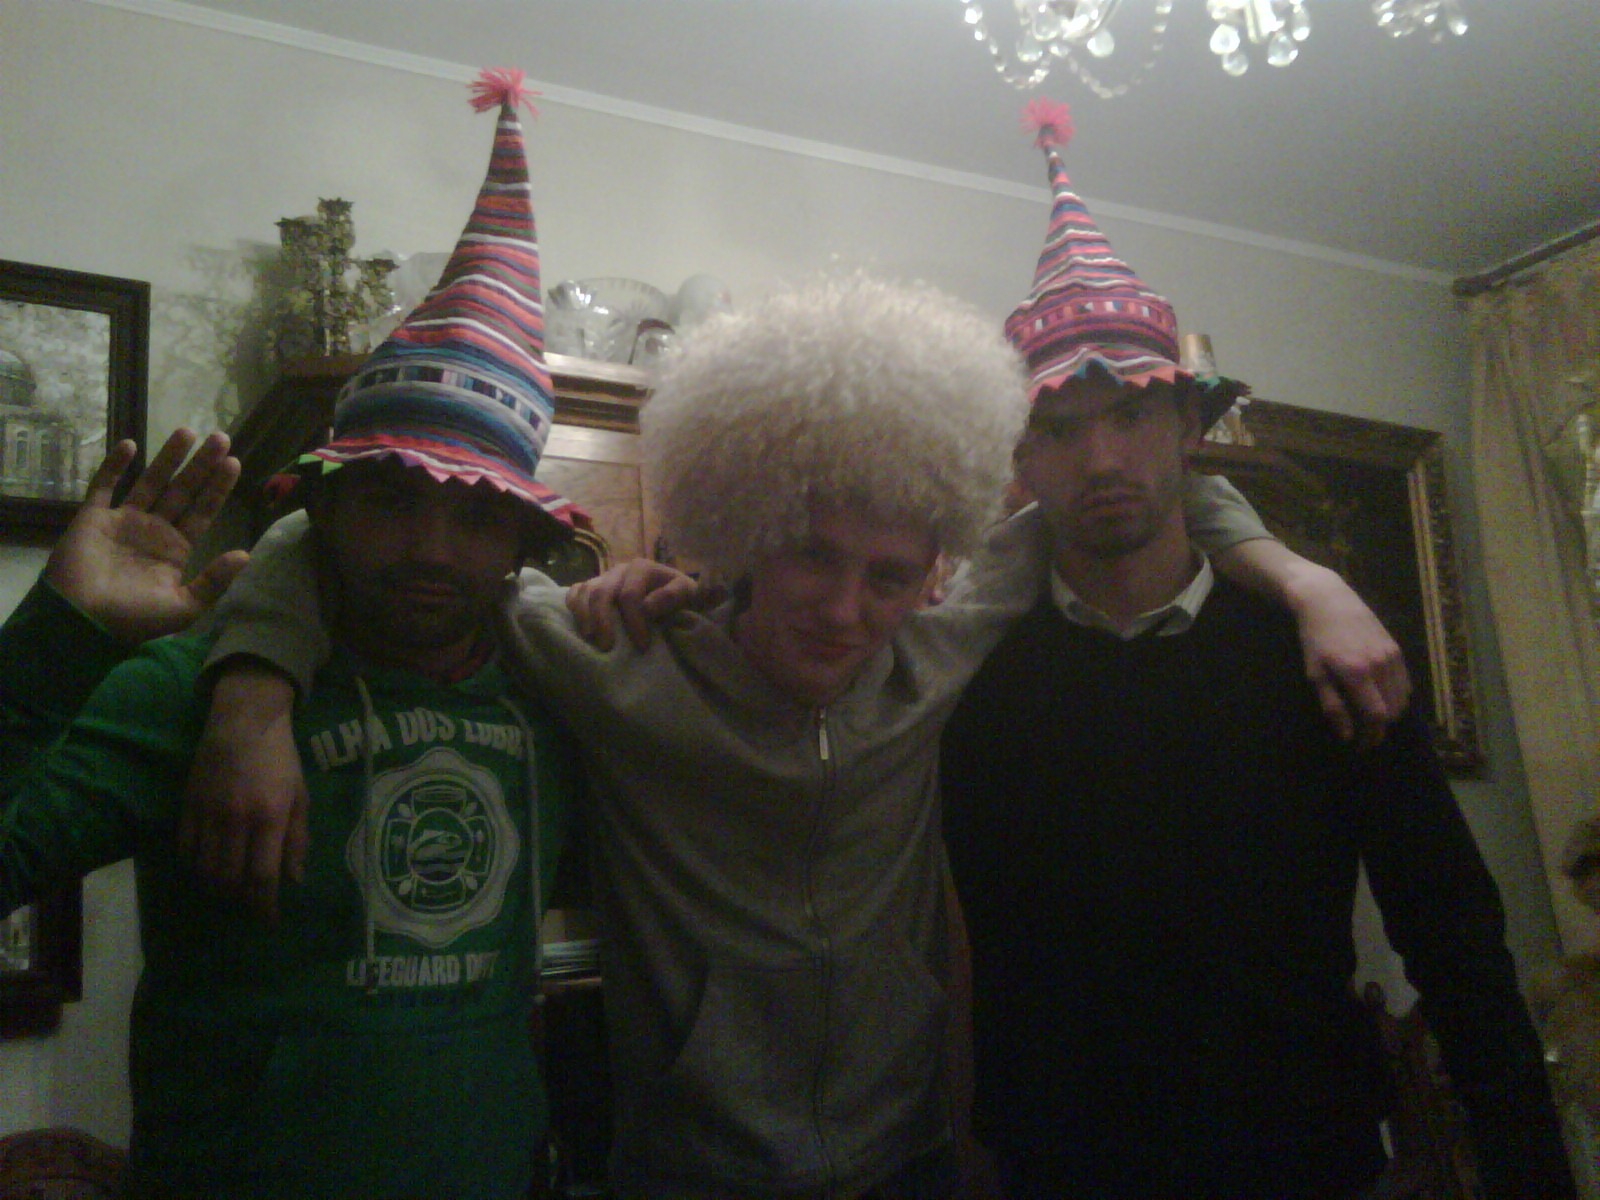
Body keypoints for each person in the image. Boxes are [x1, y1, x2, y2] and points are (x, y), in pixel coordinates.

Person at [189, 263, 1413, 1197]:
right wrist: (251, 688)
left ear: (933, 572)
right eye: (812, 557)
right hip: (686, 1172)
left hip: (910, 1161)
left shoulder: (938, 648)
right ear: (744, 534)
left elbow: (1129, 491)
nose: (845, 608)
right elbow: (369, 541)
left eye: (889, 575)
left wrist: (1304, 577)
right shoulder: (614, 659)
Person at [937, 98, 1575, 1199]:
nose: (1101, 458)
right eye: (1059, 428)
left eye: (1131, 415)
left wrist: (1531, 1175)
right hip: (1059, 1172)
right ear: (1019, 464)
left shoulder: (1325, 653)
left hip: (1308, 1161)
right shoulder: (972, 677)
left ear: (1190, 429)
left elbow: (1455, 938)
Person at [0, 69, 592, 1199]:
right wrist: (59, 638)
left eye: (476, 515)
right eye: (391, 498)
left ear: (522, 541)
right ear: (317, 504)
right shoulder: (188, 688)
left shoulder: (554, 694)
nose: (431, 547)